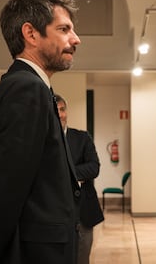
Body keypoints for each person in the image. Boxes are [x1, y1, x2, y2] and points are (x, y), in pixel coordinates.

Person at [0, 0, 82, 264]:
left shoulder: (29, 86)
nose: (76, 39)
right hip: (35, 251)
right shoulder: (26, 87)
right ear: (31, 34)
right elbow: (6, 185)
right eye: (64, 29)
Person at [55, 94, 104, 264]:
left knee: (82, 257)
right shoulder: (42, 140)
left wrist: (63, 173)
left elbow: (93, 167)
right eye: (55, 110)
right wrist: (76, 176)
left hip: (83, 211)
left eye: (62, 109)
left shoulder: (82, 137)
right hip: (54, 213)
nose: (60, 114)